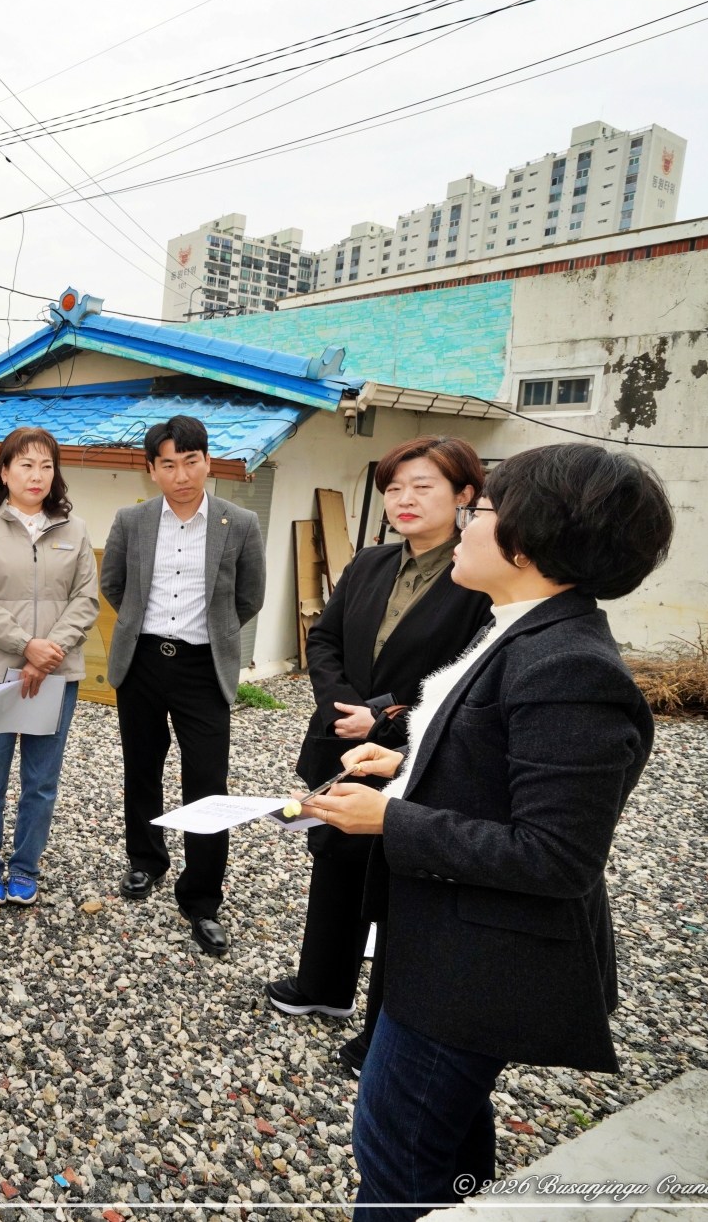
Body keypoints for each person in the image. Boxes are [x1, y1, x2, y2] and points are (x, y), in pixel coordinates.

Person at [303, 443, 674, 1219]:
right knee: (445, 1134)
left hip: (475, 964)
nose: (470, 525)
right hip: (442, 942)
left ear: (529, 541)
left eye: (486, 510)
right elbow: (494, 767)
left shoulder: (571, 667)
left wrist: (391, 817)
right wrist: (402, 761)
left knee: (398, 1149)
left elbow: (558, 854)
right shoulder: (522, 630)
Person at [265, 437, 493, 1073]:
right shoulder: (370, 563)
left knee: (399, 884)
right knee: (334, 855)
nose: (405, 500)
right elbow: (327, 637)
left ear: (465, 495)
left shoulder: (477, 578)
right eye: (394, 488)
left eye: (423, 486)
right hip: (341, 736)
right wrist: (344, 705)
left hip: (414, 747)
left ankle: (382, 1032)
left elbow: (469, 669)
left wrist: (384, 710)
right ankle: (323, 987)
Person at [100, 414, 265, 958]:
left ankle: (201, 898)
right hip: (143, 662)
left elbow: (249, 597)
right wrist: (141, 628)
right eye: (168, 464)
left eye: (191, 461)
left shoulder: (238, 523)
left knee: (207, 782)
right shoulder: (133, 519)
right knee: (141, 769)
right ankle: (145, 861)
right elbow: (114, 583)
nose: (182, 474)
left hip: (203, 668)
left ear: (207, 461)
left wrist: (211, 634)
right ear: (152, 470)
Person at [0, 426, 99, 907]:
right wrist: (25, 646)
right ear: (5, 471)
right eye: (26, 465)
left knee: (41, 781)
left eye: (46, 465)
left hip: (56, 674)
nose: (37, 475)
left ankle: (25, 866)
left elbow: (85, 599)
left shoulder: (74, 530)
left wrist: (48, 651)